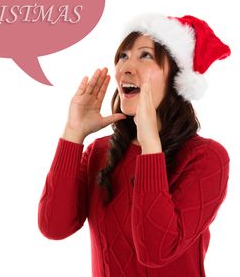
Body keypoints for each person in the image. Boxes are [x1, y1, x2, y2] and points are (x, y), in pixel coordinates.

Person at [38, 14, 231, 277]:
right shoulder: (99, 152)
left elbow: (156, 251)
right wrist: (73, 133)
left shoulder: (206, 157)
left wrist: (150, 144)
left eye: (145, 56)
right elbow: (54, 227)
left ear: (176, 78)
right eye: (123, 56)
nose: (126, 68)